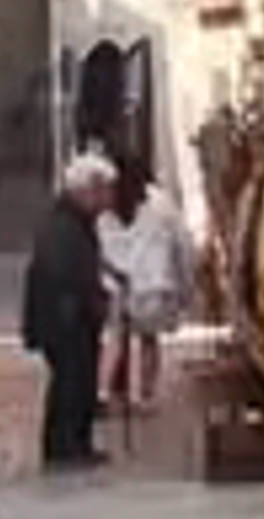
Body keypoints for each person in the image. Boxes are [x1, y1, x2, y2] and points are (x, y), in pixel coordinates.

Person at [19, 153, 118, 472]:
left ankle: (72, 444)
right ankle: (66, 447)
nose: (108, 198)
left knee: (75, 382)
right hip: (66, 322)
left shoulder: (72, 221)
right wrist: (87, 300)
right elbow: (64, 272)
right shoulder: (63, 225)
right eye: (103, 190)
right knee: (70, 383)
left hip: (71, 319)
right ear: (86, 190)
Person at [105, 163, 192, 421]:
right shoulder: (161, 205)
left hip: (128, 282)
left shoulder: (110, 205)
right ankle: (144, 395)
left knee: (122, 339)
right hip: (147, 283)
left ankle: (120, 394)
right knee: (144, 339)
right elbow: (183, 245)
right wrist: (186, 287)